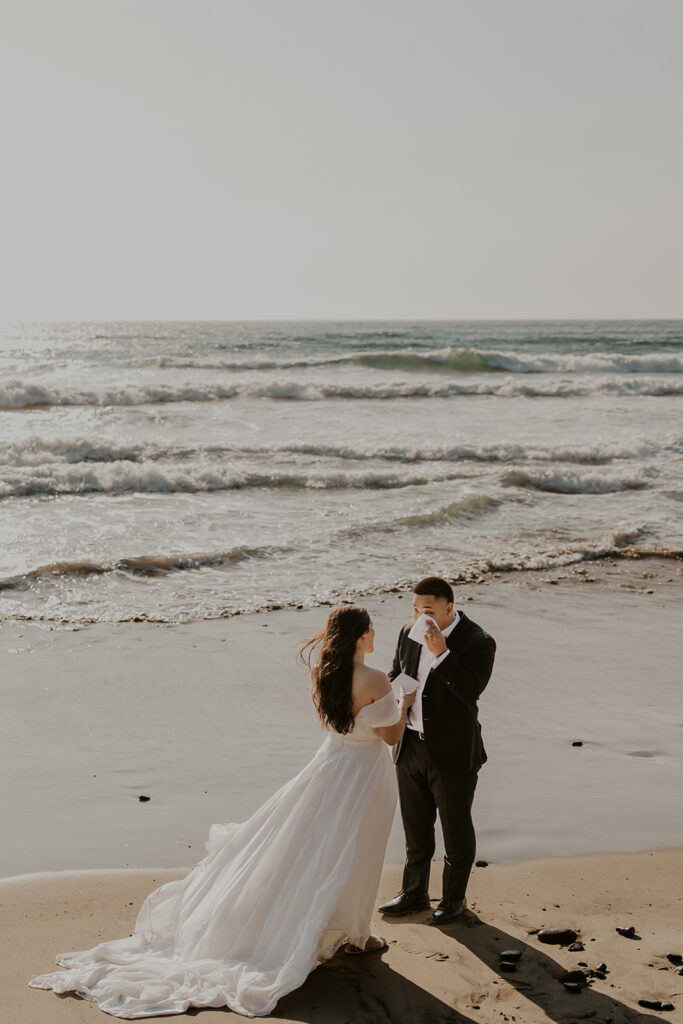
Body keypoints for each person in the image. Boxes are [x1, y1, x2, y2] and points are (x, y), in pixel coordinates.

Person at [29, 607, 416, 1019]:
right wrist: (404, 700)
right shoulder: (376, 680)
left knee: (312, 847)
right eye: (371, 627)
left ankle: (337, 926)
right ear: (359, 634)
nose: (376, 632)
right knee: (356, 851)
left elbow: (340, 724)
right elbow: (390, 736)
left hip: (328, 768)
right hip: (361, 776)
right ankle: (356, 935)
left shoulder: (324, 673)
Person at [379, 576, 496, 925]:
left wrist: (441, 653)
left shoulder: (479, 641)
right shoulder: (407, 632)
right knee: (415, 828)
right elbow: (394, 673)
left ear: (449, 608)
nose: (419, 617)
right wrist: (404, 692)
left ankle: (453, 898)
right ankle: (413, 893)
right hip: (410, 745)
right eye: (415, 610)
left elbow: (470, 690)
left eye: (426, 610)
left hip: (453, 752)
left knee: (455, 829)